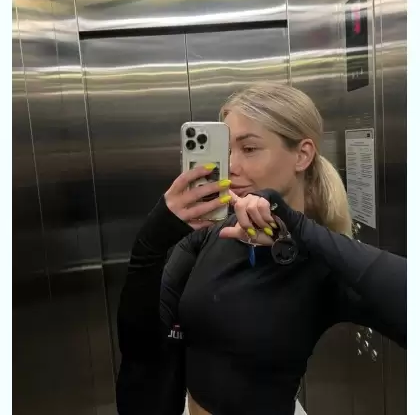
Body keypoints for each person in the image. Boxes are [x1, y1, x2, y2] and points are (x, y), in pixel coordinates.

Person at [116, 82, 407, 415]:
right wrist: (150, 243)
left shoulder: (319, 260)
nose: (231, 165)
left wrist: (298, 229)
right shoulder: (212, 236)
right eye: (228, 150)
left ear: (302, 155)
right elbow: (141, 350)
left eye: (249, 148)